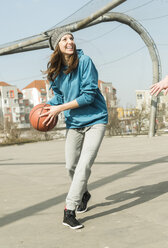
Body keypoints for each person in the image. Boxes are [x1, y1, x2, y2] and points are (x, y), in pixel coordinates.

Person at [41, 30, 108, 230]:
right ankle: (84, 193)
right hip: (74, 123)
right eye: (64, 39)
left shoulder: (85, 61)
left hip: (96, 119)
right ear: (57, 46)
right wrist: (46, 107)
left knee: (83, 165)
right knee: (70, 166)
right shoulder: (55, 70)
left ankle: (69, 210)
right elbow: (60, 98)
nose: (70, 41)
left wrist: (60, 108)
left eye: (71, 38)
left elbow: (88, 96)